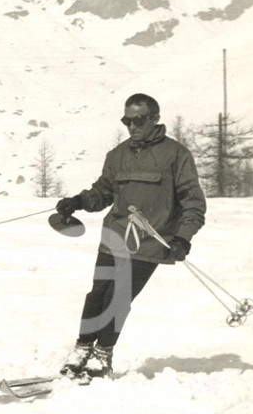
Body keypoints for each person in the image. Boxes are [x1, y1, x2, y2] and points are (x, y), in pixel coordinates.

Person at [55, 93, 206, 379]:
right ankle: (82, 348)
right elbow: (103, 193)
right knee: (97, 295)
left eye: (139, 120)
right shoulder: (118, 155)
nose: (132, 126)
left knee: (119, 295)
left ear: (155, 118)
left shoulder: (176, 155)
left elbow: (194, 203)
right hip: (114, 237)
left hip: (149, 241)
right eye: (127, 120)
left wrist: (182, 238)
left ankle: (102, 355)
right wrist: (78, 201)